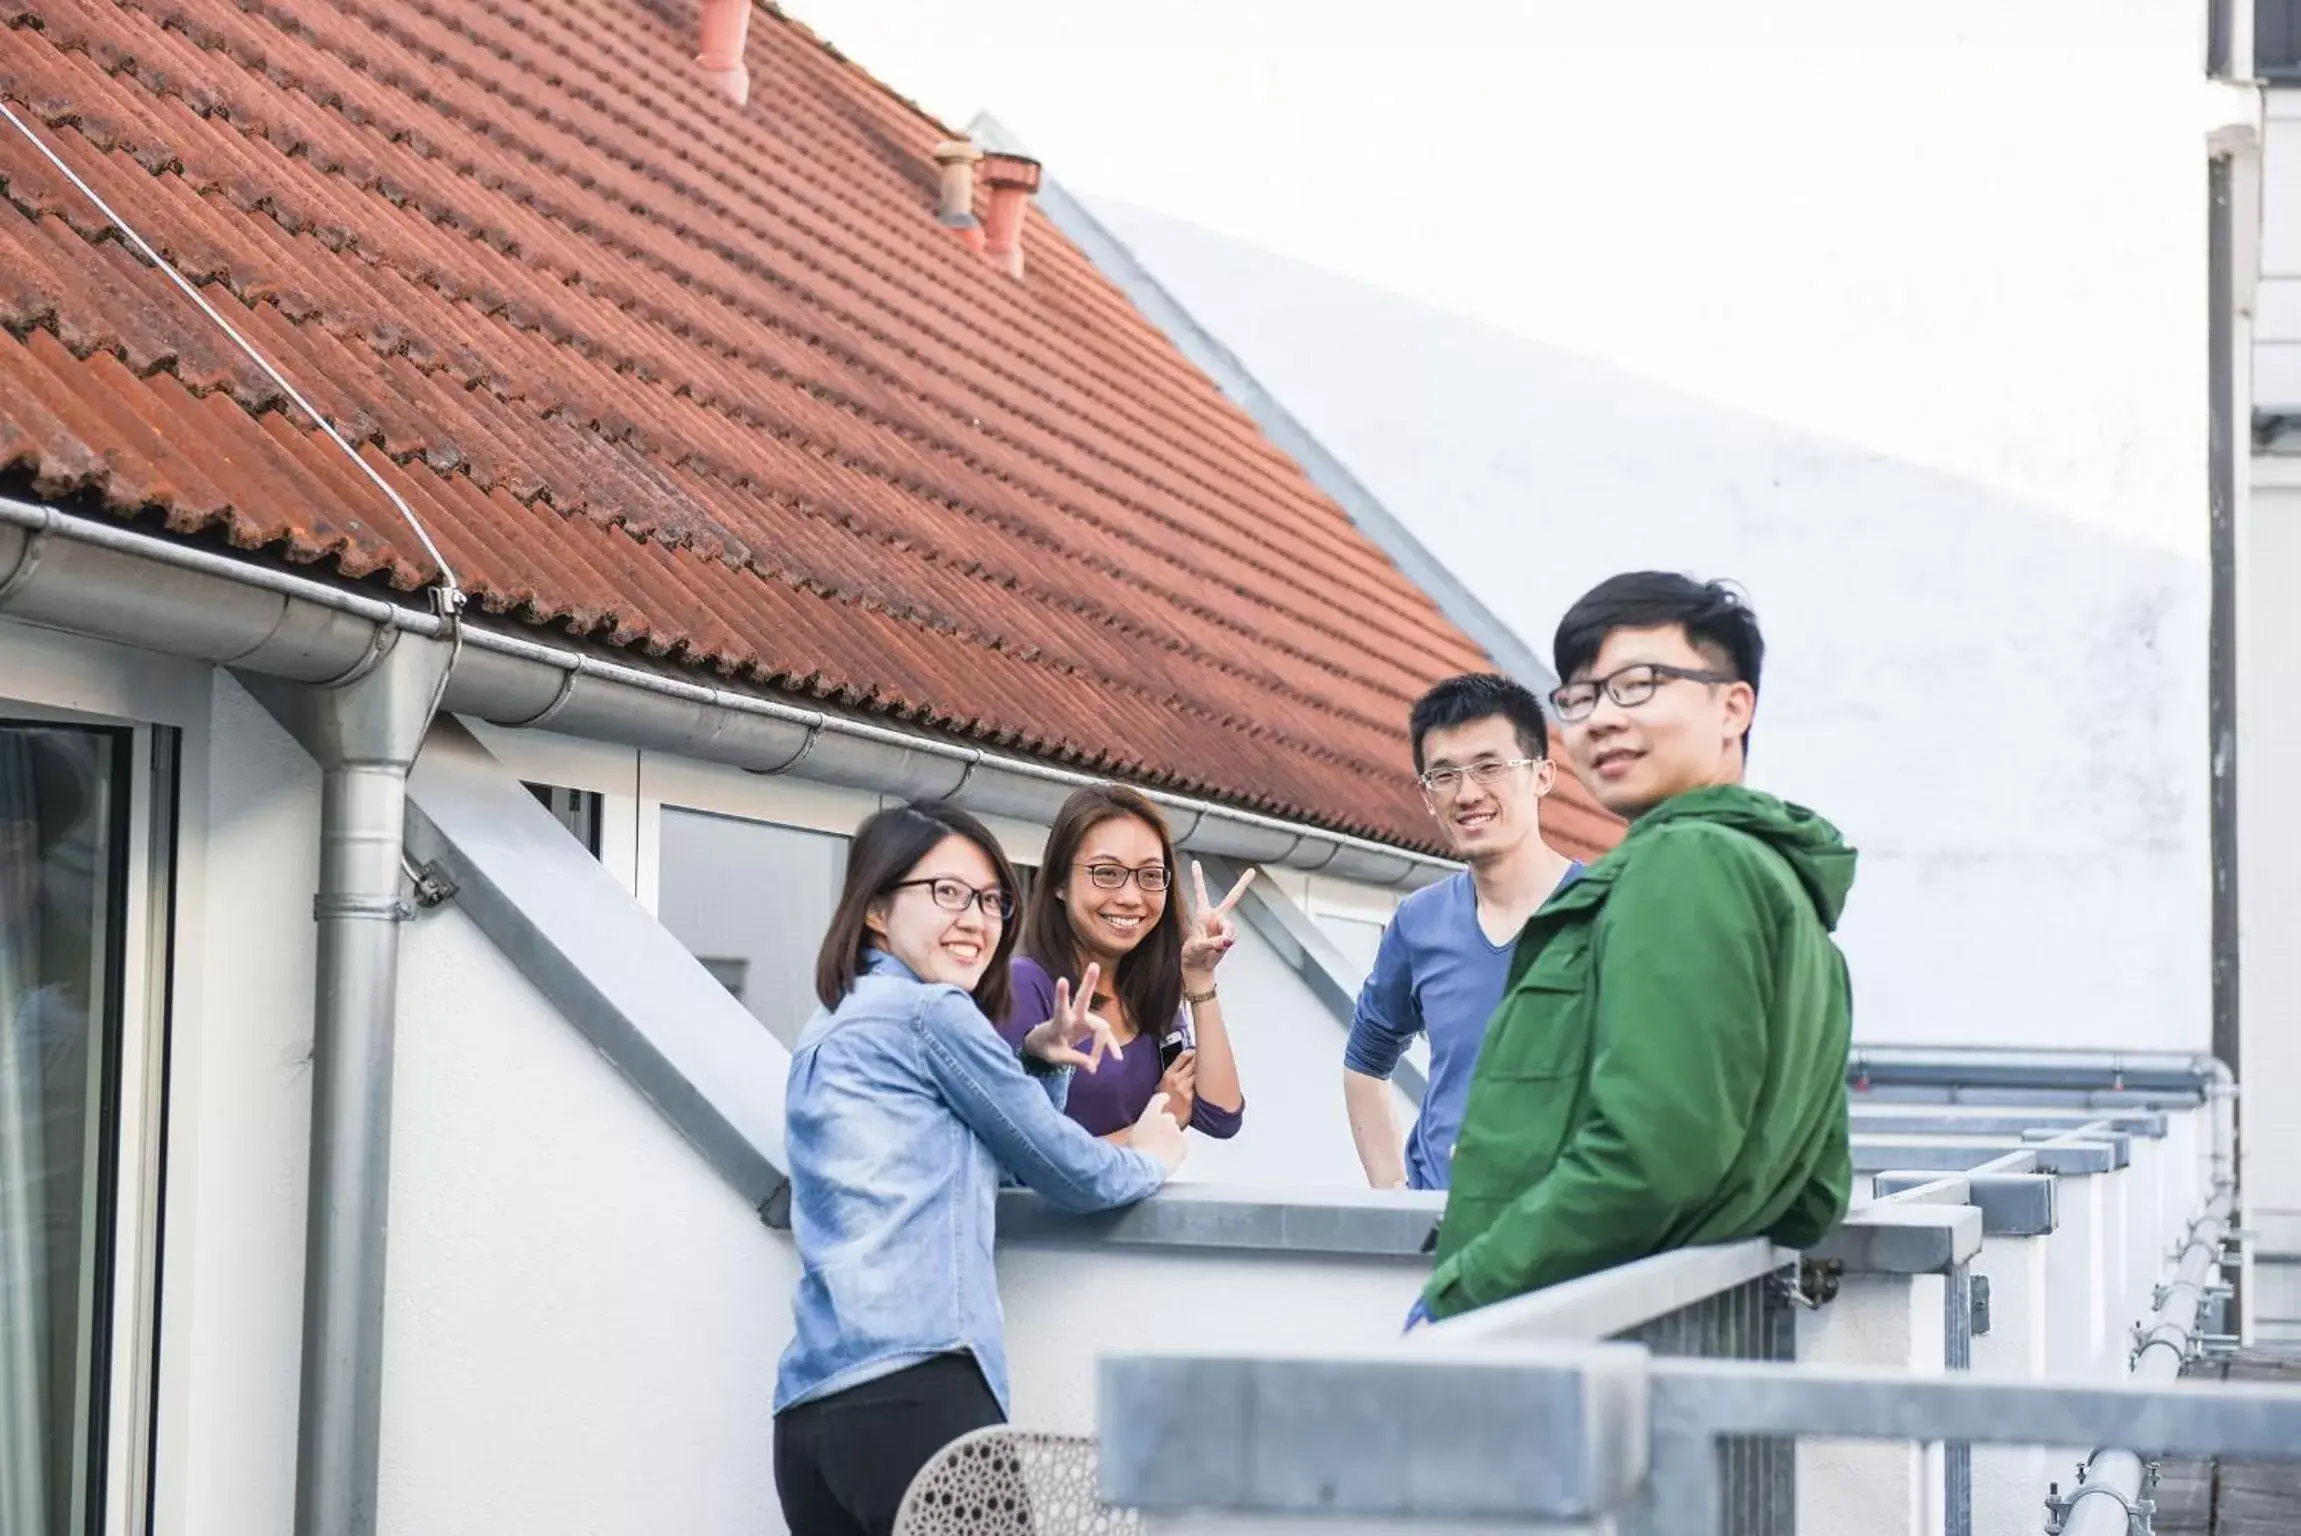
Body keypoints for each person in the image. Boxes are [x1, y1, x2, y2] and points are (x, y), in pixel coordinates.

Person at [1415, 574, 1856, 1325]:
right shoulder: (1776, 878)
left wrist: (1464, 1291)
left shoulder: (1683, 865)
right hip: (1676, 1342)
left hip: (1573, 1337)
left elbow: (1652, 1158)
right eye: (1579, 697)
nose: (1600, 719)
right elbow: (1816, 1190)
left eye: (1638, 684)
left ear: (1732, 705)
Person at [773, 800, 1189, 1535]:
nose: (977, 918)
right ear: (875, 907)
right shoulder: (933, 1013)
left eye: (993, 898)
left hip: (810, 1420)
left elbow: (969, 1160)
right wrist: (1152, 1156)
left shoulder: (830, 1024)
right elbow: (1068, 1171)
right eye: (946, 892)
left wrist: (1034, 1060)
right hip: (918, 1399)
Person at [1342, 675, 1582, 1190]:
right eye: (1443, 776)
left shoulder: (1610, 910)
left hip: (1569, 1240)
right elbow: (1364, 1062)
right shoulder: (1418, 923)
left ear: (1542, 775)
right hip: (1442, 1237)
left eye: (1490, 767)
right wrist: (1391, 1197)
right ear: (1427, 796)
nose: (1468, 793)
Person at [999, 785, 1253, 1144]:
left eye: (1150, 875)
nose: (1131, 898)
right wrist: (1153, 1126)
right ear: (1058, 882)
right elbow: (1022, 1156)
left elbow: (1220, 1115)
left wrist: (1199, 979)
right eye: (1106, 872)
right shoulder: (1024, 987)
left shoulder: (1148, 997)